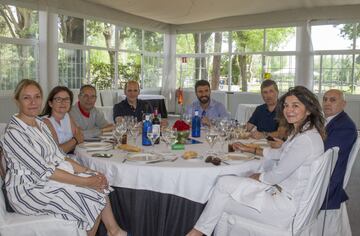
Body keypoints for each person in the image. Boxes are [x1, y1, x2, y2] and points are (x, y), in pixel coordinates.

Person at [186, 86, 326, 236]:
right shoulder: (305, 132)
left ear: (309, 110)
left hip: (284, 207)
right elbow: (281, 153)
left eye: (295, 105)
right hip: (286, 197)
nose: (288, 110)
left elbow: (274, 176)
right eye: (286, 105)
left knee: (220, 200)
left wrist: (254, 177)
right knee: (223, 184)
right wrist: (252, 150)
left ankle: (196, 233)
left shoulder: (304, 140)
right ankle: (197, 233)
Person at [1, 79, 127, 236]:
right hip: (28, 191)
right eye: (27, 97)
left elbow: (61, 156)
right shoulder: (15, 132)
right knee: (91, 194)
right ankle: (113, 231)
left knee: (99, 184)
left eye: (37, 96)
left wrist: (90, 172)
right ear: (17, 100)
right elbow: (46, 171)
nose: (33, 102)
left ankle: (114, 231)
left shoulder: (40, 124)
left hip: (46, 181)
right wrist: (86, 181)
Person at [321, 89, 357, 210]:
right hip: (322, 171)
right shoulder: (328, 121)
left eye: (333, 100)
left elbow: (323, 154)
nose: (327, 103)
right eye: (325, 99)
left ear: (343, 104)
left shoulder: (345, 127)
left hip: (327, 181)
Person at [41, 86, 84, 153]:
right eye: (58, 99)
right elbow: (57, 151)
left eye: (66, 99)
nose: (63, 102)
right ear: (50, 103)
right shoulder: (45, 122)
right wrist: (75, 140)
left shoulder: (68, 116)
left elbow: (80, 139)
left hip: (72, 156)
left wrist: (69, 145)